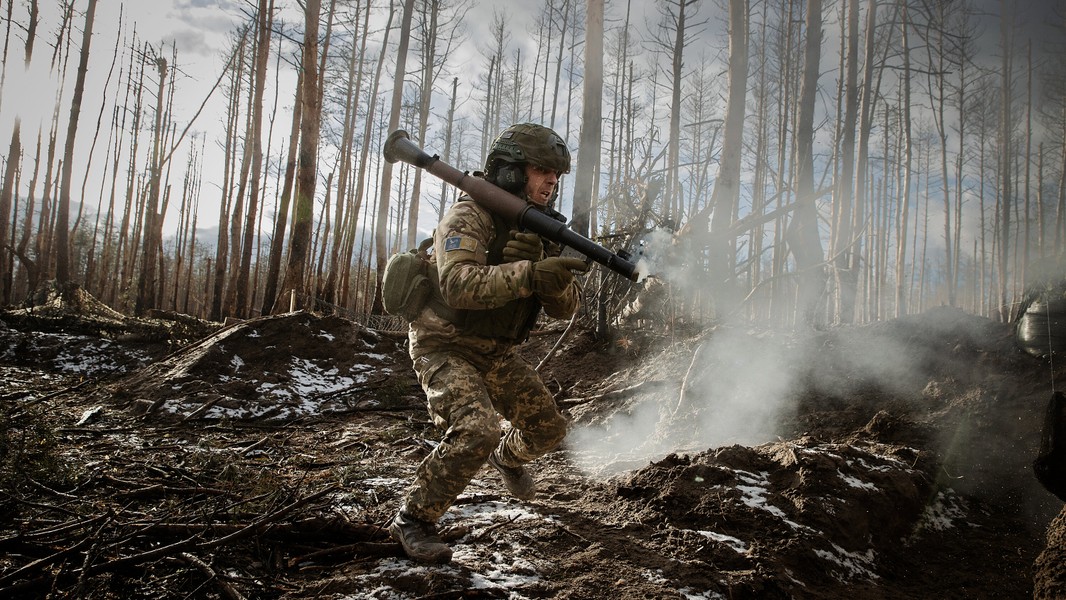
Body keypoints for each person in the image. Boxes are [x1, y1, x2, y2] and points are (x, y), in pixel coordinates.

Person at [388, 123, 588, 563]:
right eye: (542, 170)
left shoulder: (542, 229)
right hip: (443, 345)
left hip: (494, 351)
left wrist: (550, 281)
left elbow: (565, 308)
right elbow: (458, 285)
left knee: (549, 429)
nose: (552, 181)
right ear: (514, 171)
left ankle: (506, 459)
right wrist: (528, 275)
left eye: (557, 174)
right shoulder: (469, 215)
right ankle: (414, 519)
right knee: (477, 427)